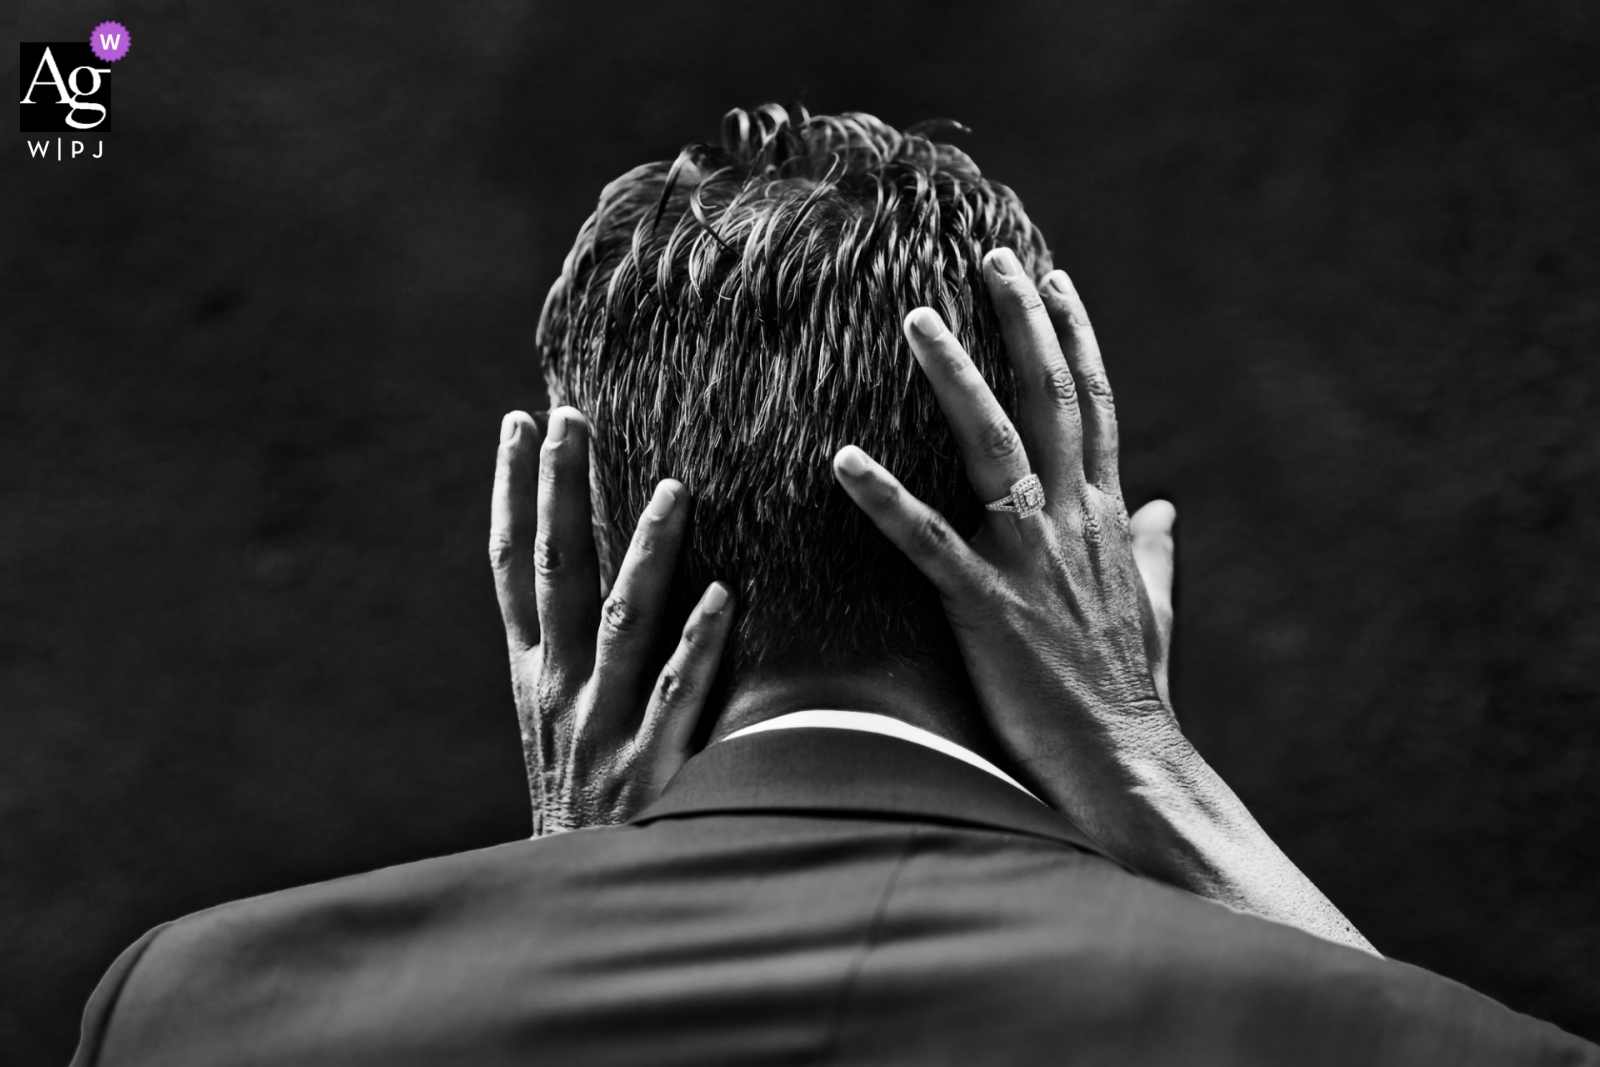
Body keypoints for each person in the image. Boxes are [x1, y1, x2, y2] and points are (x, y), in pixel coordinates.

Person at [70, 106, 1595, 1066]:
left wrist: (563, 885)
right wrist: (1151, 759)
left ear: (591, 561)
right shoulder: (1385, 1039)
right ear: (1069, 561)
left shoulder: (203, 1009)